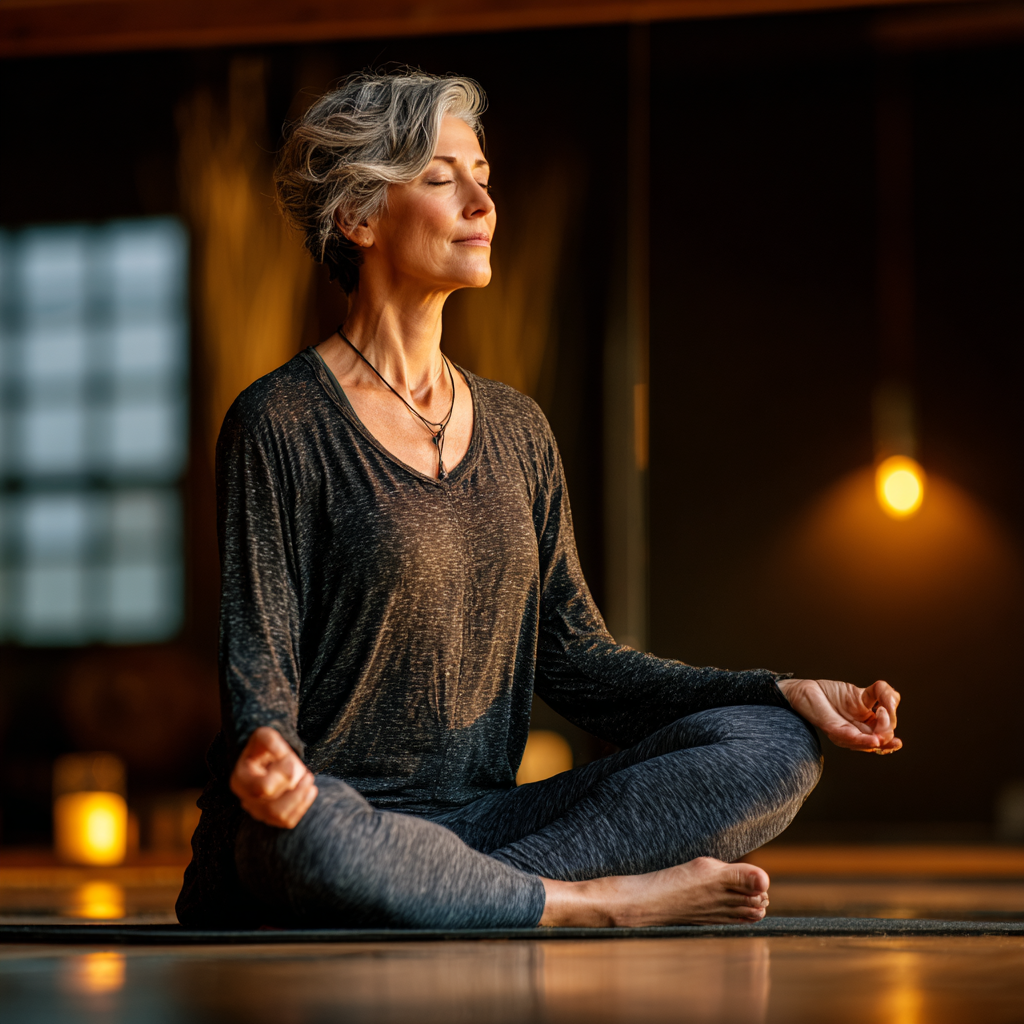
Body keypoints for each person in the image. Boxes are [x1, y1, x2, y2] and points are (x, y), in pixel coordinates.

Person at [176, 70, 901, 931]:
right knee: (304, 836)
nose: (482, 200)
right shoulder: (281, 420)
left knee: (772, 747)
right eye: (443, 178)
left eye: (484, 174)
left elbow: (582, 666)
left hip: (489, 827)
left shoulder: (517, 430)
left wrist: (777, 689)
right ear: (358, 217)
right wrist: (266, 750)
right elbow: (259, 651)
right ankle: (590, 904)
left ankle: (459, 897)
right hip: (331, 813)